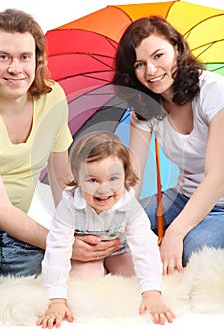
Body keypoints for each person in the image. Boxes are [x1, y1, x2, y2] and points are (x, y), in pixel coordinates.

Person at [112, 15, 224, 275]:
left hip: (220, 201)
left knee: (192, 247)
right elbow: (134, 177)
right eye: (140, 64)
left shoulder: (214, 92)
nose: (150, 71)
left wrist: (175, 231)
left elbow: (217, 177)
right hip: (184, 196)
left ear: (177, 48)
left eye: (158, 56)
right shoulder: (145, 106)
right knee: (115, 227)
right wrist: (119, 216)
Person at [36, 131, 175, 328]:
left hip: (119, 249)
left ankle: (119, 272)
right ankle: (95, 273)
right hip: (85, 254)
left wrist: (152, 294)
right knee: (85, 285)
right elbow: (57, 248)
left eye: (113, 179)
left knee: (142, 274)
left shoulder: (128, 204)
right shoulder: (69, 206)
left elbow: (144, 244)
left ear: (126, 175)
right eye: (93, 180)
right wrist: (56, 300)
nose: (104, 189)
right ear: (77, 178)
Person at [0, 8, 73, 285]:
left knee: (46, 273)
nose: (15, 68)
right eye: (3, 57)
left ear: (37, 60)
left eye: (24, 57)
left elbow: (63, 179)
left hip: (16, 229)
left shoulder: (53, 98)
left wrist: (72, 234)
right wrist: (58, 243)